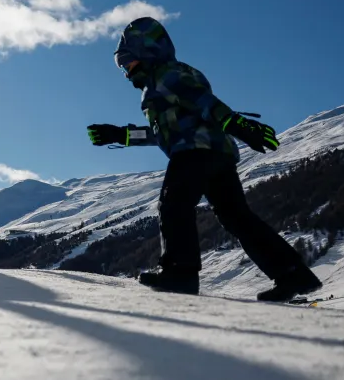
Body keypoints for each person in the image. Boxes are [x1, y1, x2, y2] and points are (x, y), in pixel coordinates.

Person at [86, 16, 322, 302]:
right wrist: (120, 135)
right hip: (216, 153)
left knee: (174, 203)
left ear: (147, 53)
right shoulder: (162, 81)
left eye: (128, 63)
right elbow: (165, 131)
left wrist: (238, 124)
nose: (126, 73)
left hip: (195, 152)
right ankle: (292, 274)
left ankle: (180, 273)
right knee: (237, 216)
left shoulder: (168, 75)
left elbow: (205, 103)